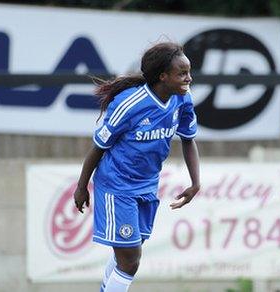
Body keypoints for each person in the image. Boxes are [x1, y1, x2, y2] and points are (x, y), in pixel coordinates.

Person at [73, 41, 201, 292]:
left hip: (147, 185)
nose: (189, 78)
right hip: (117, 186)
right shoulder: (130, 104)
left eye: (189, 72)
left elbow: (188, 140)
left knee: (129, 254)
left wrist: (196, 182)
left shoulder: (182, 100)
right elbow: (98, 146)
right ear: (163, 76)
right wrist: (81, 187)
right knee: (130, 261)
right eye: (182, 73)